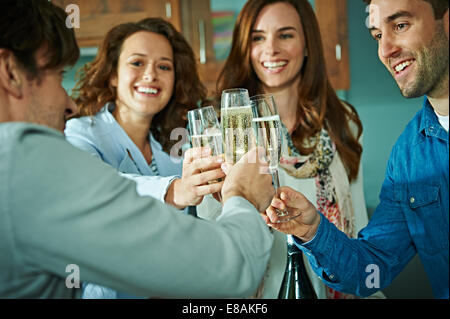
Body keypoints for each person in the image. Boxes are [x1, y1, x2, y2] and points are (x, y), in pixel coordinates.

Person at [0, 0, 274, 299]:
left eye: (164, 66)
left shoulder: (172, 146)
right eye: (57, 74)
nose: (71, 105)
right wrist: (241, 197)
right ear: (10, 73)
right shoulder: (35, 155)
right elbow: (226, 267)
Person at [263, 0, 449, 299]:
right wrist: (314, 232)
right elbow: (371, 270)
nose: (385, 50)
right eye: (377, 35)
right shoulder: (408, 157)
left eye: (400, 25)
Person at [197, 0, 381, 299]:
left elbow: (359, 225)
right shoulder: (220, 132)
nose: (271, 49)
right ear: (246, 47)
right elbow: (212, 240)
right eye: (258, 37)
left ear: (308, 45)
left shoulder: (342, 121)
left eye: (285, 35)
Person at [64, 17, 224, 298]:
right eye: (137, 63)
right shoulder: (80, 133)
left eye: (164, 66)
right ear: (113, 74)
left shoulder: (173, 147)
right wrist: (176, 190)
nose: (151, 75)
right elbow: (97, 188)